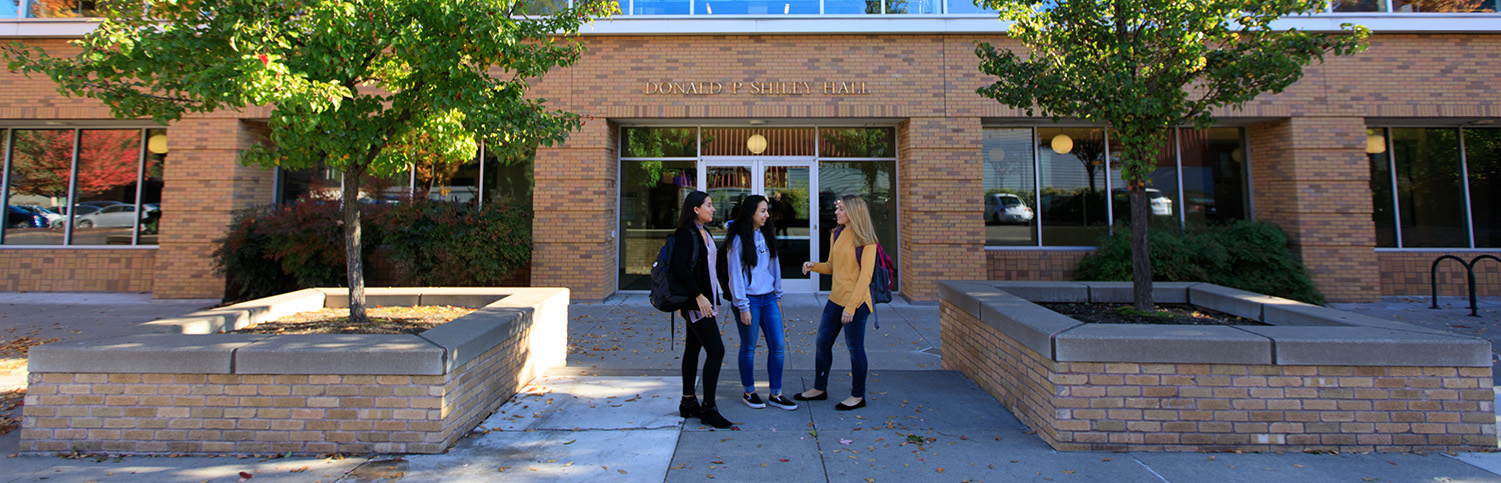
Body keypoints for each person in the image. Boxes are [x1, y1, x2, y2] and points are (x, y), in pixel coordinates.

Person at [796, 194, 877, 411]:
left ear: (853, 212)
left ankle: (858, 396)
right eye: (837, 209)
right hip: (835, 300)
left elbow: (865, 278)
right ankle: (819, 389)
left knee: (855, 348)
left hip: (857, 304)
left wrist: (850, 307)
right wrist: (814, 265)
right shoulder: (837, 234)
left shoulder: (867, 241)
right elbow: (832, 266)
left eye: (841, 209)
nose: (837, 212)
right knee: (822, 343)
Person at [722, 195, 796, 411]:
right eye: (762, 211)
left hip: (769, 298)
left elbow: (775, 267)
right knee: (749, 347)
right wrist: (742, 305)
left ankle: (776, 393)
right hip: (749, 300)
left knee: (778, 346)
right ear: (751, 212)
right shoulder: (737, 239)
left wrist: (778, 295)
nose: (767, 215)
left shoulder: (765, 234)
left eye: (767, 210)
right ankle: (749, 391)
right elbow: (734, 274)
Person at [670, 190, 733, 429]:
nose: (713, 209)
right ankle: (708, 408)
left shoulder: (704, 232)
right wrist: (698, 297)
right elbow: (680, 269)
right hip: (697, 304)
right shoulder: (687, 234)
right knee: (716, 351)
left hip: (704, 302)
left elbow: (707, 268)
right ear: (696, 209)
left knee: (693, 349)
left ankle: (688, 402)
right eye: (709, 205)